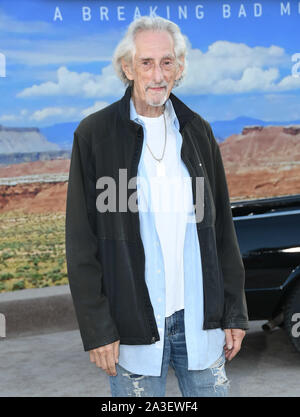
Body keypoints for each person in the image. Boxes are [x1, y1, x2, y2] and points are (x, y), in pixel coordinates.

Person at [65, 16, 249, 397]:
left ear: (179, 68)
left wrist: (234, 311)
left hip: (201, 323)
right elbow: (82, 244)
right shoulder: (95, 136)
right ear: (127, 68)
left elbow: (221, 232)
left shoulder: (197, 131)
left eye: (167, 62)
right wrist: (98, 329)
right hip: (132, 331)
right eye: (146, 63)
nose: (157, 74)